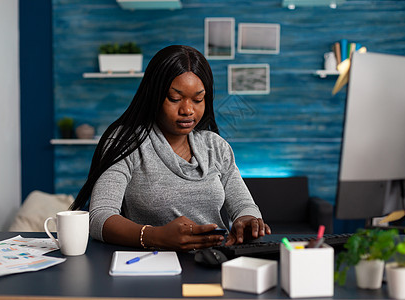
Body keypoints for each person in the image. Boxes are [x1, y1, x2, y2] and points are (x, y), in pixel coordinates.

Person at [70, 45, 271, 251]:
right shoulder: (125, 142)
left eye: (198, 99)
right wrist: (156, 236)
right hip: (149, 266)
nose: (187, 110)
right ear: (154, 96)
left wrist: (248, 221)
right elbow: (99, 218)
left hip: (214, 261)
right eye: (175, 98)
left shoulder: (216, 146)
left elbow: (244, 206)